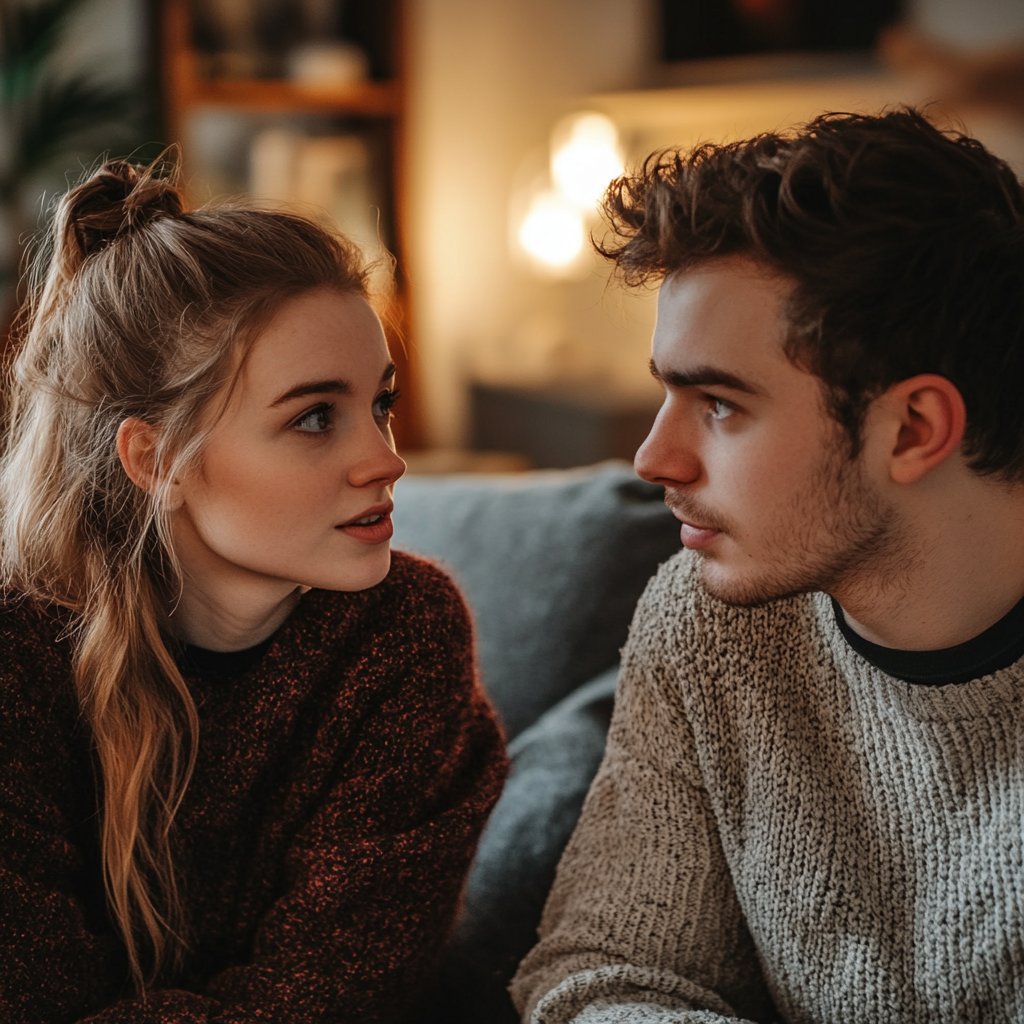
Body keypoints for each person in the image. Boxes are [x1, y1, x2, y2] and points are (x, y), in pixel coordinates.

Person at [511, 108, 1024, 1022]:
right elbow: (600, 972)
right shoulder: (705, 618)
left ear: (913, 430)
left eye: (719, 403)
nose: (652, 459)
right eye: (667, 390)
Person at [0, 157, 507, 1024]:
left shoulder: (405, 637)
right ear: (154, 458)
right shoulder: (18, 657)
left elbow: (335, 1000)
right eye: (315, 416)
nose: (389, 458)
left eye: (380, 404)